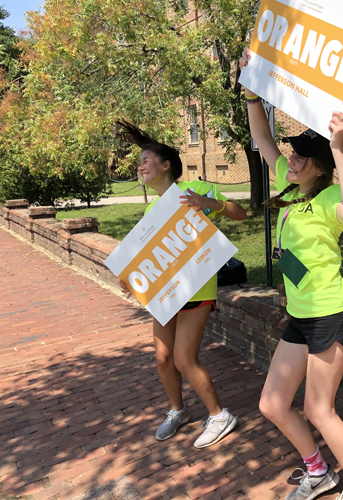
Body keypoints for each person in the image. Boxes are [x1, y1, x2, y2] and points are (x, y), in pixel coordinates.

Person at [240, 49, 343, 500]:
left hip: (329, 314)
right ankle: (318, 472)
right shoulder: (286, 181)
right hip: (300, 314)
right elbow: (262, 138)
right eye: (292, 154)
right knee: (272, 404)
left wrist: (338, 146)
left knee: (320, 409)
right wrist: (252, 92)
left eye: (301, 156)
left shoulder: (327, 199)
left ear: (319, 164)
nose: (291, 159)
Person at [117, 121, 247, 448]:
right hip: (166, 294)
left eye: (146, 160)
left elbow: (240, 214)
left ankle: (220, 415)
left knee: (183, 359)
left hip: (197, 289)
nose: (140, 166)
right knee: (163, 359)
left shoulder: (196, 189)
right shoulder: (151, 209)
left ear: (165, 165)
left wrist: (211, 204)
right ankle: (178, 410)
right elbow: (152, 257)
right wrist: (132, 278)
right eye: (140, 162)